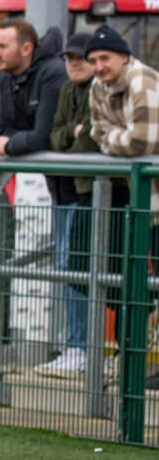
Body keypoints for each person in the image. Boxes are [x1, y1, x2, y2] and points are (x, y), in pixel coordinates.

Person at [84, 25, 159, 390]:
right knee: (130, 281)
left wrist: (114, 141)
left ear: (124, 57)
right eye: (93, 60)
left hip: (152, 201)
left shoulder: (143, 80)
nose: (98, 66)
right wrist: (118, 140)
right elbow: (96, 133)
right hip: (143, 203)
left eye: (105, 58)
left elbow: (143, 142)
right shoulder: (98, 87)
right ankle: (132, 361)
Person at [36, 32, 97, 378]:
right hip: (64, 191)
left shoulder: (97, 91)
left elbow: (87, 141)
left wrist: (73, 135)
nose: (74, 63)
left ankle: (84, 349)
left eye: (81, 57)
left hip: (90, 194)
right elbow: (56, 137)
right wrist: (71, 134)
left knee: (85, 273)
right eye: (69, 58)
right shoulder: (66, 90)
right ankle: (76, 346)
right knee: (69, 270)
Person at [0, 18, 66, 156]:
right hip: (30, 168)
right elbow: (0, 129)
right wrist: (25, 140)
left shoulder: (54, 74)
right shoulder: (6, 76)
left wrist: (9, 145)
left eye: (2, 47)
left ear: (26, 49)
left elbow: (43, 137)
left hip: (61, 171)